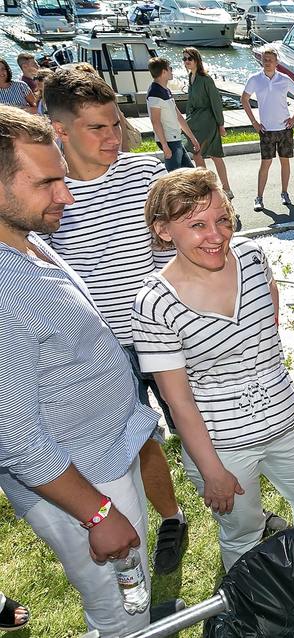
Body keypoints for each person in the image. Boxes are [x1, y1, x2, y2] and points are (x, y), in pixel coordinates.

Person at [0, 104, 156, 635]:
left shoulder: (27, 237)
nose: (65, 197)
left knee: (134, 600)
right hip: (81, 480)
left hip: (106, 451)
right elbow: (14, 437)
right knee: (121, 616)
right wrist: (96, 513)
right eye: (46, 183)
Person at [132, 168, 294, 570]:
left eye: (223, 220)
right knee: (241, 533)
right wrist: (212, 471)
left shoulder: (253, 257)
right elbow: (178, 400)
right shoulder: (154, 302)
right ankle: (251, 602)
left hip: (285, 425)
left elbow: (269, 317)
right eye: (197, 225)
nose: (217, 235)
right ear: (164, 230)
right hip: (223, 447)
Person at [42, 70, 189, 576]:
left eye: (115, 124)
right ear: (59, 130)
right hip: (103, 352)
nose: (113, 137)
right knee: (136, 441)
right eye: (97, 128)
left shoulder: (145, 173)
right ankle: (172, 517)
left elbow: (179, 249)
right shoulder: (47, 195)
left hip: (164, 332)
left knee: (198, 425)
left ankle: (233, 497)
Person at [242, 46, 294, 212]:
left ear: (277, 62)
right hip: (266, 130)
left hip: (284, 128)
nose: (267, 62)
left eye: (270, 60)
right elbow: (244, 99)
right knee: (265, 164)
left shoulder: (284, 79)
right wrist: (254, 122)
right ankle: (259, 198)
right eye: (264, 59)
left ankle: (284, 193)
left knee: (285, 162)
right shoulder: (255, 79)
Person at [182, 47, 233, 199]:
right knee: (197, 153)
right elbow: (190, 102)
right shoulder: (190, 77)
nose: (186, 62)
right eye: (184, 59)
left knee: (213, 154)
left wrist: (220, 124)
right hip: (195, 121)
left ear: (196, 60)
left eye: (189, 59)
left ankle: (226, 188)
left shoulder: (206, 79)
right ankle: (205, 186)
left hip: (207, 121)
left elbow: (216, 102)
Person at [147, 57, 199, 173]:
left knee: (189, 174)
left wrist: (192, 138)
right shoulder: (154, 92)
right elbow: (155, 122)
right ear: (164, 71)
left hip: (175, 138)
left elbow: (178, 116)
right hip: (169, 141)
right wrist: (165, 146)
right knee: (174, 176)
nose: (172, 71)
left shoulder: (166, 90)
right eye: (170, 68)